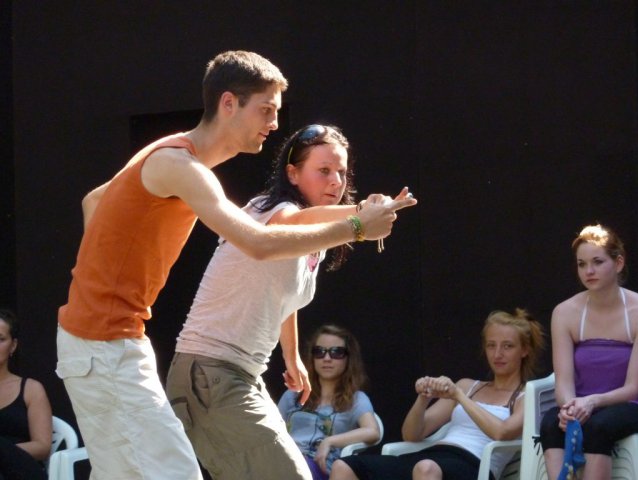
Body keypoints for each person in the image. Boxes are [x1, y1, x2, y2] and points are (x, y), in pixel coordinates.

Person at [56, 51, 416, 480]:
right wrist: (357, 226)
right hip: (107, 345)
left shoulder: (170, 157)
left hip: (112, 342)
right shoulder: (178, 164)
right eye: (265, 110)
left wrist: (104, 279)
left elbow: (95, 201)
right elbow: (260, 243)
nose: (275, 123)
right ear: (229, 103)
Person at [165, 122, 411, 480]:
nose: (336, 182)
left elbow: (284, 296)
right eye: (324, 171)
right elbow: (297, 221)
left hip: (237, 376)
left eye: (342, 172)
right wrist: (360, 214)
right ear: (293, 174)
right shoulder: (271, 210)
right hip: (209, 373)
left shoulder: (313, 240)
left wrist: (292, 356)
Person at [331, 309, 545, 480]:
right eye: (491, 345)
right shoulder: (469, 386)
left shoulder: (526, 395)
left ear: (524, 350)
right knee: (343, 466)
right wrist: (424, 398)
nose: (498, 354)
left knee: (426, 468)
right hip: (433, 456)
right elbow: (412, 435)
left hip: (474, 466)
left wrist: (459, 397)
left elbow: (502, 433)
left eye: (508, 346)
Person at [540, 224, 638, 480]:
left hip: (628, 404)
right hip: (583, 403)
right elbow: (563, 381)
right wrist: (570, 407)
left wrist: (593, 401)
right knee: (551, 423)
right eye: (582, 264)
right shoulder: (565, 312)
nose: (589, 271)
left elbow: (633, 388)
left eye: (598, 262)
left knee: (598, 427)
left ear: (618, 263)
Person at [278, 324, 381, 480]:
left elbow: (373, 432)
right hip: (283, 461)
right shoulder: (292, 395)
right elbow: (271, 431)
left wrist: (329, 441)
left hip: (320, 467)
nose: (327, 358)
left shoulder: (356, 399)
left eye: (336, 352)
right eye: (319, 352)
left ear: (349, 358)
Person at [0, 309, 52, 480]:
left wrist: (5, 452)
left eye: (1, 339)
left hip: (21, 471)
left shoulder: (31, 389)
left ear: (13, 345)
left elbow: (42, 446)